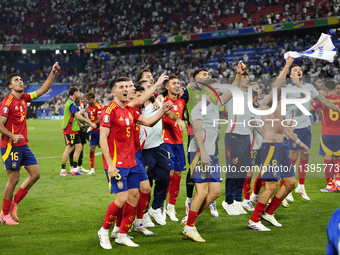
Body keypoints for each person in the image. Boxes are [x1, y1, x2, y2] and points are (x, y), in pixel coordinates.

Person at [97, 78, 173, 249]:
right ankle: (103, 231)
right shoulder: (109, 112)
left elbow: (148, 121)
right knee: (122, 198)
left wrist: (163, 110)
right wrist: (110, 164)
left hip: (133, 162)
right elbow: (102, 139)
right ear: (113, 92)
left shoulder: (130, 110)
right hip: (117, 164)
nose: (125, 89)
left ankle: (122, 234)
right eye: (121, 87)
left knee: (135, 196)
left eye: (127, 86)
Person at [248, 56, 310, 231]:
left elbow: (283, 128)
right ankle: (254, 220)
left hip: (281, 147)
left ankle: (269, 213)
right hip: (270, 148)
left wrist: (299, 141)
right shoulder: (267, 102)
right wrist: (288, 65)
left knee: (290, 183)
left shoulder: (282, 104)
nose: (283, 86)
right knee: (271, 186)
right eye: (281, 84)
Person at [0, 62, 61, 225]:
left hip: (23, 145)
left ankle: (14, 204)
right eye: (16, 80)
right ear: (10, 86)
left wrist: (52, 73)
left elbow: (43, 90)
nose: (20, 81)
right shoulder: (7, 102)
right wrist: (13, 135)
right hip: (10, 146)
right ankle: (3, 214)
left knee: (35, 174)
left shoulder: (24, 98)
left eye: (21, 79)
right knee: (13, 179)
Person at [285, 65, 340, 202]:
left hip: (306, 127)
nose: (298, 71)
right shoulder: (287, 89)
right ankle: (287, 187)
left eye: (299, 69)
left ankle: (301, 187)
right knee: (293, 156)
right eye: (294, 70)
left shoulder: (309, 87)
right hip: (293, 127)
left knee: (306, 154)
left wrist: (337, 108)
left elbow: (322, 100)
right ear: (290, 75)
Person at [182, 75, 222, 242]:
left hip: (211, 153)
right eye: (215, 88)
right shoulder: (199, 108)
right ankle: (190, 226)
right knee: (202, 191)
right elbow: (197, 132)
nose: (219, 90)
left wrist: (239, 74)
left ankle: (190, 220)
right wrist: (203, 152)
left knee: (215, 192)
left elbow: (232, 91)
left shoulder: (214, 105)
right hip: (199, 152)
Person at [139, 81, 185, 226]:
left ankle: (155, 208)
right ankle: (143, 213)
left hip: (160, 147)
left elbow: (169, 112)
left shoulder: (158, 101)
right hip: (145, 150)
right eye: (147, 88)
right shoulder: (136, 108)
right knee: (146, 185)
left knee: (165, 178)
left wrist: (177, 118)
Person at [162, 75, 188, 222]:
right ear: (167, 86)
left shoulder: (182, 100)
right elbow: (168, 113)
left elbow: (192, 91)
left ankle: (171, 208)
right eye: (173, 83)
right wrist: (177, 118)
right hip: (166, 141)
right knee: (169, 174)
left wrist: (187, 88)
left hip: (179, 142)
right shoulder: (163, 102)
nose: (177, 85)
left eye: (178, 83)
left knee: (178, 174)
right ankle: (161, 207)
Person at [310, 80, 340, 192]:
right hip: (339, 134)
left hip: (327, 134)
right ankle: (338, 182)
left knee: (327, 160)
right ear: (335, 88)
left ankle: (329, 185)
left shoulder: (322, 101)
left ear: (326, 89)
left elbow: (309, 109)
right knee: (338, 159)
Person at [60, 87, 97, 177]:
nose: (79, 94)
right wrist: (90, 123)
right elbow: (78, 116)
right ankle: (63, 170)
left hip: (75, 129)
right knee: (69, 149)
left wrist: (81, 126)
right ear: (75, 93)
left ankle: (75, 169)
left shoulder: (71, 103)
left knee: (79, 147)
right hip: (70, 130)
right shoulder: (71, 104)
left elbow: (74, 118)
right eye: (78, 92)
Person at [85, 92, 102, 175]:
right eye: (87, 99)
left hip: (100, 131)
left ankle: (111, 165)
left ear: (94, 99)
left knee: (105, 149)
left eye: (89, 99)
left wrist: (92, 124)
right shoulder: (88, 107)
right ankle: (92, 169)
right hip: (93, 131)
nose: (88, 101)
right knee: (92, 149)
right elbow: (91, 120)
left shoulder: (98, 107)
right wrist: (87, 125)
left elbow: (99, 120)